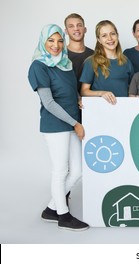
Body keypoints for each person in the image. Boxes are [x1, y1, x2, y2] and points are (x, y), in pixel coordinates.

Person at [28, 24, 89, 231]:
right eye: (51, 41)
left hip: (72, 122)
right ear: (43, 42)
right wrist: (76, 123)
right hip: (56, 125)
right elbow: (49, 103)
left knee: (78, 170)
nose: (56, 45)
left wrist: (80, 100)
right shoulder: (38, 66)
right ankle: (63, 215)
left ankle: (51, 208)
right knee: (60, 171)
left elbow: (71, 91)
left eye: (60, 40)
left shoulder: (66, 63)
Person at [80, 20, 134, 104]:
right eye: (104, 35)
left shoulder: (126, 61)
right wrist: (102, 93)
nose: (110, 38)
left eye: (112, 34)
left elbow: (133, 90)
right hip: (100, 111)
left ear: (117, 35)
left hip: (123, 111)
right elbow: (84, 91)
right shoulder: (91, 62)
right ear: (99, 39)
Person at [64, 13, 94, 92]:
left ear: (85, 29)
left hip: (91, 103)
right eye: (71, 26)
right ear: (66, 31)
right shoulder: (60, 55)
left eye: (79, 25)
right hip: (66, 102)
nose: (76, 29)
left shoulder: (95, 55)